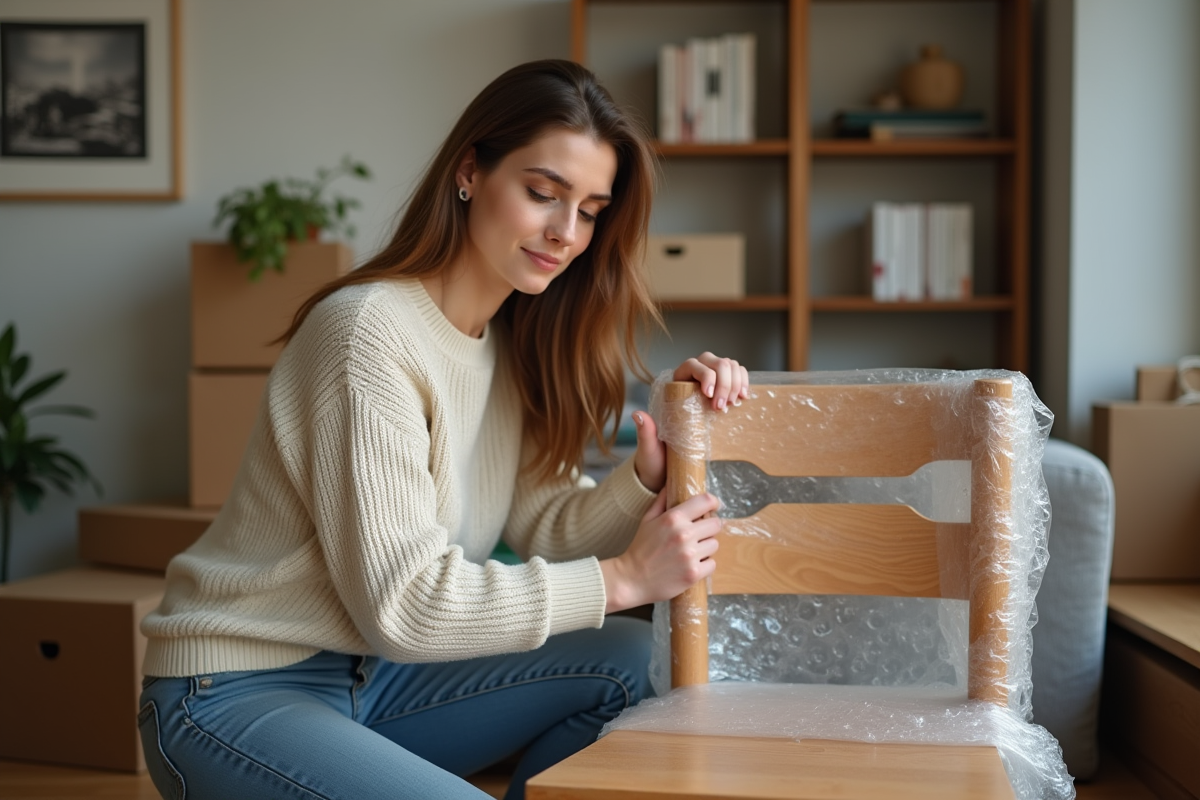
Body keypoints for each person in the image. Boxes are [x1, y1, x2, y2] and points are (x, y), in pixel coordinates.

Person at [137, 59, 749, 800]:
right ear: (469, 171)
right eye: (542, 193)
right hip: (231, 691)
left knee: (629, 659)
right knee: (622, 621)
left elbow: (546, 525)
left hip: (378, 681)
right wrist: (623, 578)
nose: (565, 233)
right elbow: (406, 606)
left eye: (589, 209)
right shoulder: (367, 333)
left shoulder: (505, 343)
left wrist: (649, 475)